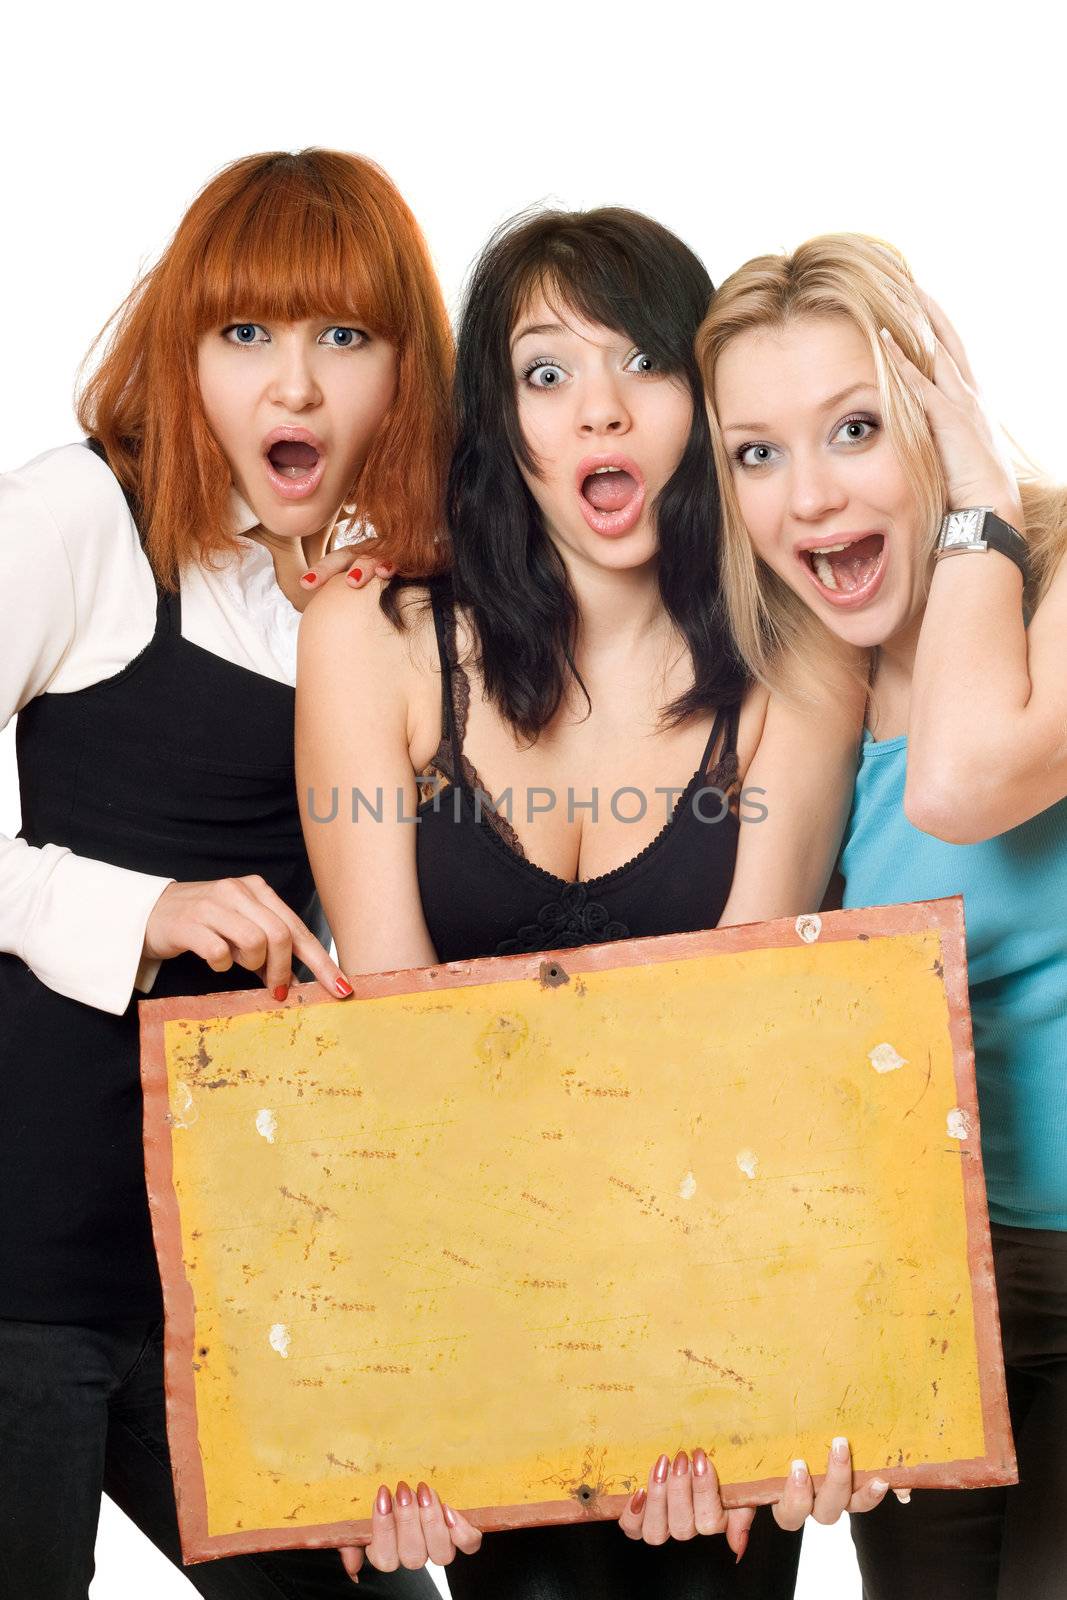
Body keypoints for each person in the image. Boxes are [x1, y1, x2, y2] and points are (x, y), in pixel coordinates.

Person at [297, 205, 889, 1599]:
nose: (600, 410)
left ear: (702, 396)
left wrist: (713, 1386)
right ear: (500, 422)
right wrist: (403, 1418)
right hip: (471, 1305)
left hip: (716, 1312)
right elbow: (393, 1037)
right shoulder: (371, 638)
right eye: (548, 373)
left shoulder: (795, 664)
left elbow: (746, 1051)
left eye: (641, 363)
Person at [0, 147, 457, 1600]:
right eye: (245, 333)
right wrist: (142, 911)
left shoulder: (398, 592)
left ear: (405, 370)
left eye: (344, 337)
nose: (295, 387)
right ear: (184, 347)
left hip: (244, 1278)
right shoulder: (86, 518)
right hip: (27, 1264)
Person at [699, 232, 1067, 1600]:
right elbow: (746, 996)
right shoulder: (807, 687)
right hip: (927, 1298)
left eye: (856, 429)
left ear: (936, 417)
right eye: (757, 453)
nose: (810, 496)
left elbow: (969, 775)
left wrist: (978, 497)